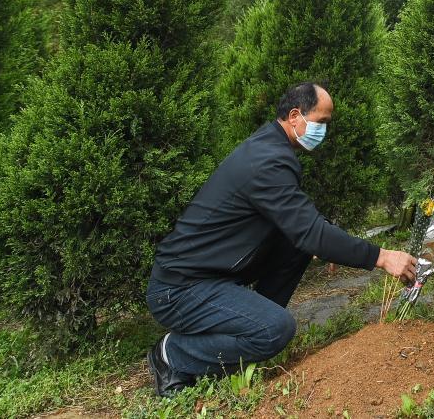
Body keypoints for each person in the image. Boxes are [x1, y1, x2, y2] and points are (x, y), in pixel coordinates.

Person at [144, 81, 418, 396]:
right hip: (179, 289)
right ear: (294, 116)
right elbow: (311, 232)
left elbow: (301, 227)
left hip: (207, 277)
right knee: (277, 330)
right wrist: (381, 256)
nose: (324, 132)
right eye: (321, 122)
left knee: (296, 246)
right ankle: (172, 354)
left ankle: (249, 326)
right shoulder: (267, 161)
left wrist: (328, 244)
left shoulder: (270, 148)